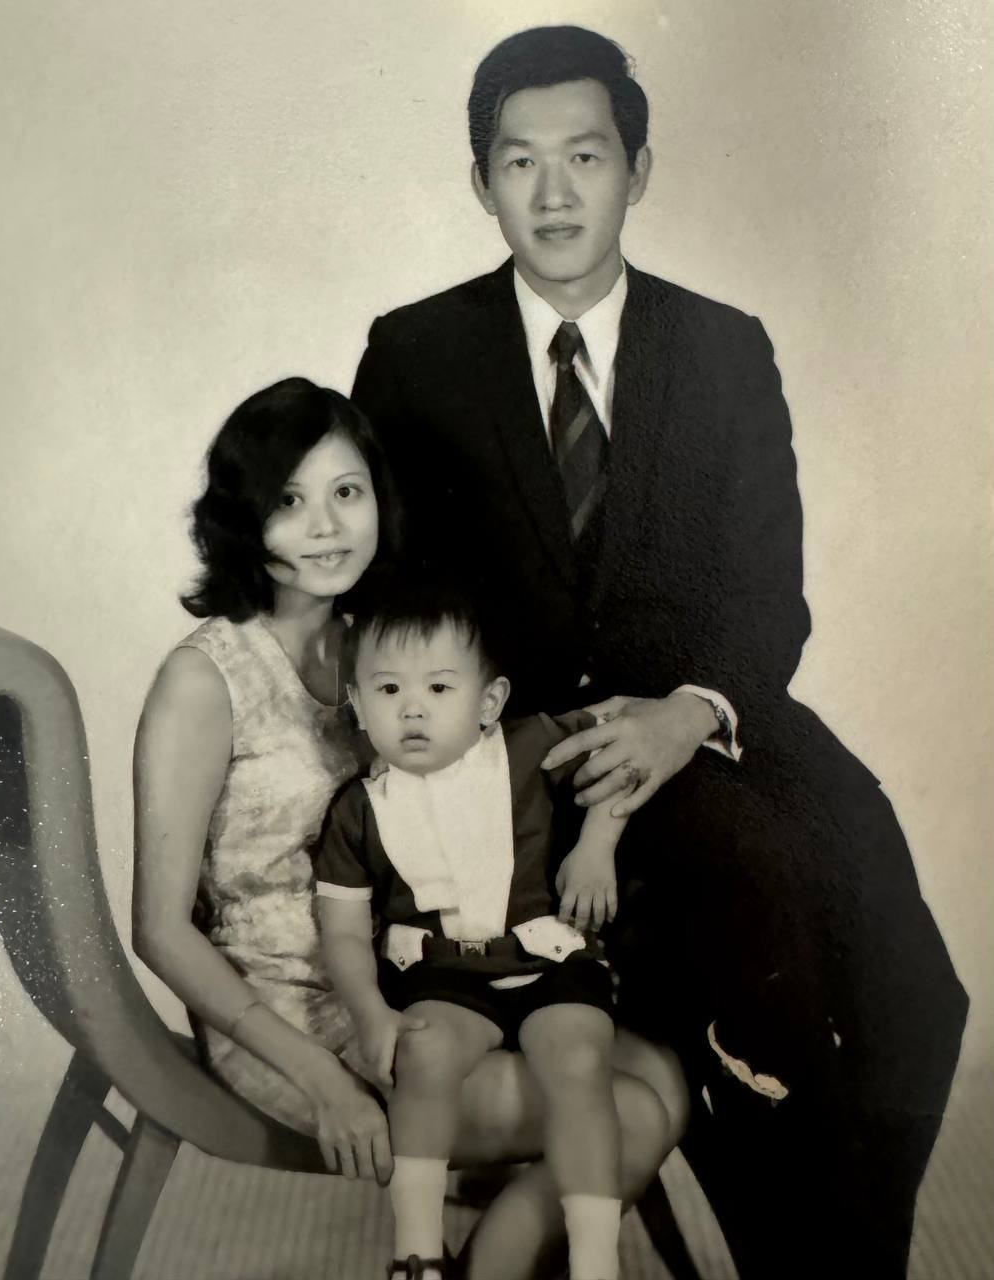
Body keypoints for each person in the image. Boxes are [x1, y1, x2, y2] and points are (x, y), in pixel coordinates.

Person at [351, 25, 969, 1279]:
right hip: (533, 762)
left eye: (585, 155)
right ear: (480, 182)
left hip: (714, 722)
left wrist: (688, 712)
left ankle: (854, 1245)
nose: (554, 191)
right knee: (763, 979)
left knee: (914, 993)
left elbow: (768, 594)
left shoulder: (721, 348)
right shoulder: (415, 356)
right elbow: (390, 602)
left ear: (638, 167)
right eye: (518, 162)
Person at [131, 377, 688, 1280]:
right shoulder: (204, 682)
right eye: (289, 500)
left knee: (664, 1081)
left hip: (433, 981)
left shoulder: (379, 644)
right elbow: (158, 929)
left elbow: (496, 760)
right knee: (629, 1111)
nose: (326, 526)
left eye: (346, 494)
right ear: (244, 516)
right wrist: (321, 1082)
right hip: (292, 1018)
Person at [316, 582, 661, 1280]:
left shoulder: (529, 748)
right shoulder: (358, 811)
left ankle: (596, 1261)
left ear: (489, 701)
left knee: (578, 1060)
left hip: (549, 951)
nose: (412, 708)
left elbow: (629, 736)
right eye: (386, 690)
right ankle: (415, 1253)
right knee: (423, 1054)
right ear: (357, 703)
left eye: (440, 688)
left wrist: (596, 845)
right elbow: (346, 934)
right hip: (442, 969)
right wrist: (369, 1013)